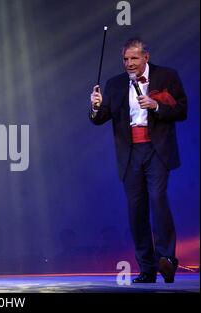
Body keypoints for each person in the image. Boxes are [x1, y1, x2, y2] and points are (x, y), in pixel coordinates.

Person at [89, 38, 187, 283]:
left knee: (158, 200)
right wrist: (95, 107)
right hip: (130, 153)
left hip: (157, 150)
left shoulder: (167, 76)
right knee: (136, 210)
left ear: (146, 57)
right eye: (125, 59)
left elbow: (182, 110)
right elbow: (99, 118)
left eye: (134, 58)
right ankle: (147, 268)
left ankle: (166, 259)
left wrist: (156, 106)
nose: (129, 63)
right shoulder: (115, 84)